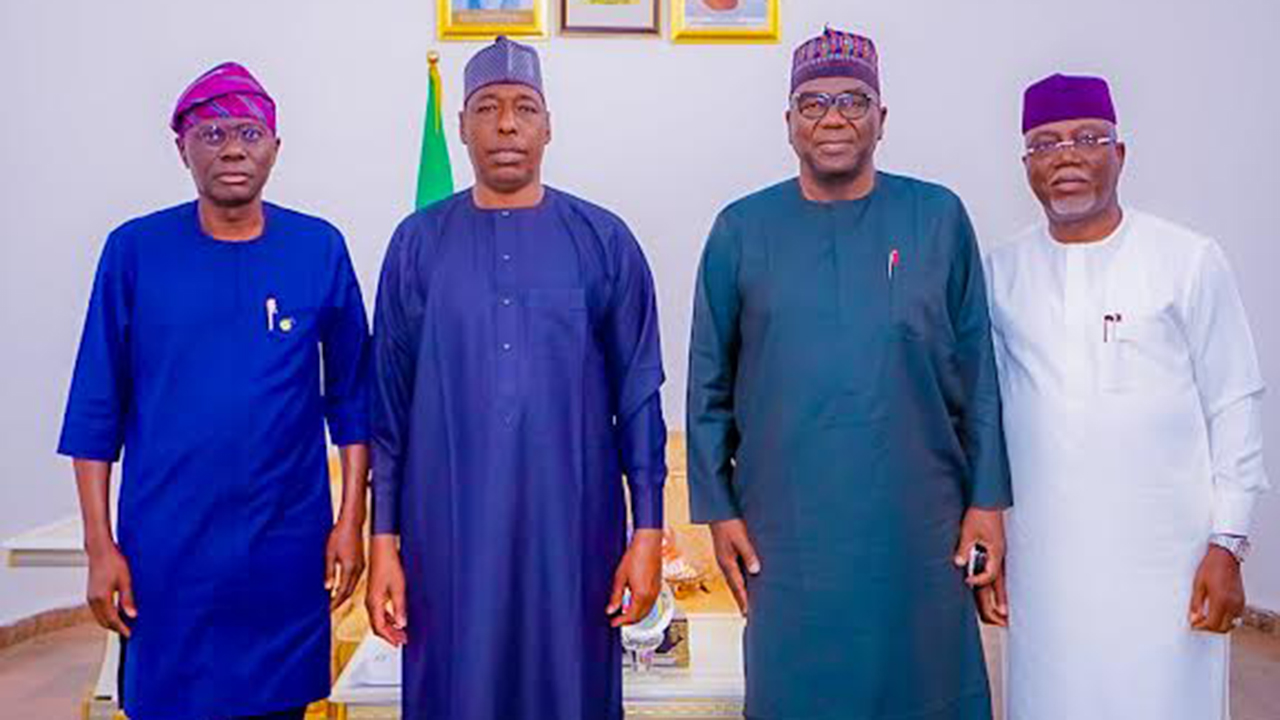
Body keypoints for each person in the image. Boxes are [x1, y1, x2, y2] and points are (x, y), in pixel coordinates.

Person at [686, 26, 1012, 720]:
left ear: (882, 118)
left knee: (924, 685)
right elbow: (708, 384)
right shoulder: (741, 230)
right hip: (788, 524)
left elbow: (977, 370)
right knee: (798, 689)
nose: (833, 118)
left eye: (853, 100)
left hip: (920, 520)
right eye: (813, 103)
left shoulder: (937, 217)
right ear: (788, 123)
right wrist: (718, 511)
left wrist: (986, 502)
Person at [57, 61, 371, 720]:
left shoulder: (318, 248)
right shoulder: (134, 251)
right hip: (166, 552)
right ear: (182, 149)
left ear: (275, 149)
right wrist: (99, 545)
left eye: (250, 133)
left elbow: (353, 399)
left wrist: (350, 524)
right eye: (213, 133)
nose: (233, 148)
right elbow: (95, 410)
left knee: (282, 706)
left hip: (284, 549)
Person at [365, 36, 668, 720]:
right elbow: (388, 408)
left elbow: (639, 397)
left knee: (571, 692)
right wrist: (383, 545)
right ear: (463, 127)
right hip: (447, 537)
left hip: (575, 535)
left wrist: (647, 533)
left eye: (524, 107)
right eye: (488, 108)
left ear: (549, 125)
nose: (507, 124)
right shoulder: (417, 245)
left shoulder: (603, 239)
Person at [986, 73, 1269, 720]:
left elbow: (1234, 400)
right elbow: (986, 415)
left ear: (1120, 153)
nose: (1066, 156)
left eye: (1088, 138)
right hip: (1046, 563)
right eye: (1045, 143)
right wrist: (993, 542)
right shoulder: (1001, 273)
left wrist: (1228, 542)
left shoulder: (1187, 260)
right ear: (1027, 163)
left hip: (1168, 563)